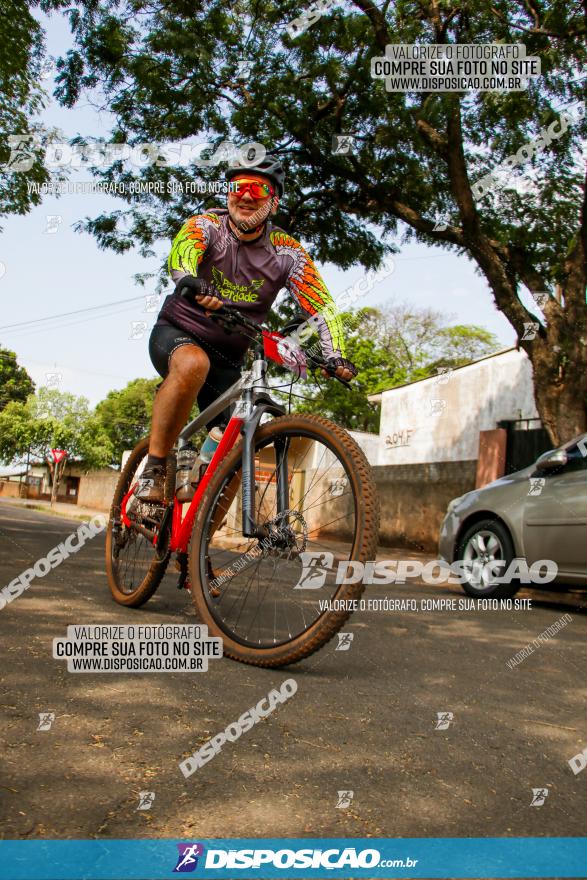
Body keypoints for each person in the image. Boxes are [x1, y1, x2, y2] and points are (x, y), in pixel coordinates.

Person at [135, 153, 357, 503]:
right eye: (238, 186)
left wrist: (335, 355)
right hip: (179, 333)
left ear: (274, 201)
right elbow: (184, 250)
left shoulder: (288, 252)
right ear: (228, 194)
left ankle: (194, 549)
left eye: (258, 188)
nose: (246, 195)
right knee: (194, 364)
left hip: (229, 356)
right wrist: (191, 278)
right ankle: (156, 466)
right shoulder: (208, 224)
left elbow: (321, 304)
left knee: (239, 450)